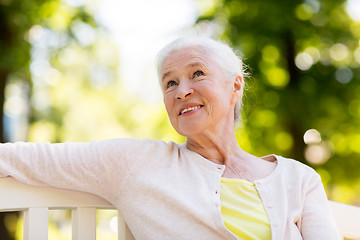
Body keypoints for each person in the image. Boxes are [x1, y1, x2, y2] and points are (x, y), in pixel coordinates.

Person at [0, 37, 340, 239]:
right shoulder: (135, 164)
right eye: (170, 83)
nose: (182, 91)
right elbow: (23, 157)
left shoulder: (300, 179)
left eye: (197, 74)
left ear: (235, 85)